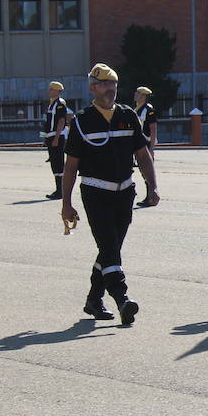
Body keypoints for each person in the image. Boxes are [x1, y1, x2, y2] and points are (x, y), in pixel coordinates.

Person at [62, 64, 158, 325]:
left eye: (113, 84)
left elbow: (143, 155)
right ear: (92, 88)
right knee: (109, 246)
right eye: (104, 84)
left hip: (125, 192)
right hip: (95, 193)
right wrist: (66, 204)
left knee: (110, 248)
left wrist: (153, 186)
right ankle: (122, 299)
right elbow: (71, 166)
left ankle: (94, 299)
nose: (110, 89)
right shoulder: (82, 121)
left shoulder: (128, 115)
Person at [42, 81, 69, 199]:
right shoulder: (51, 103)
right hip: (50, 136)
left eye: (51, 89)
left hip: (56, 136)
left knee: (58, 163)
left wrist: (57, 138)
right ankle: (58, 189)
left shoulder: (60, 103)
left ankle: (61, 191)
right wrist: (45, 138)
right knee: (54, 163)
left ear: (57, 91)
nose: (49, 91)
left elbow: (61, 121)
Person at [132, 86, 158, 207]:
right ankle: (148, 196)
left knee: (146, 170)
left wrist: (152, 149)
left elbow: (153, 129)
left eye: (138, 93)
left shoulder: (148, 109)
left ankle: (150, 197)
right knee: (142, 171)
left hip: (146, 143)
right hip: (138, 144)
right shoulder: (136, 109)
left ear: (143, 96)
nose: (135, 95)